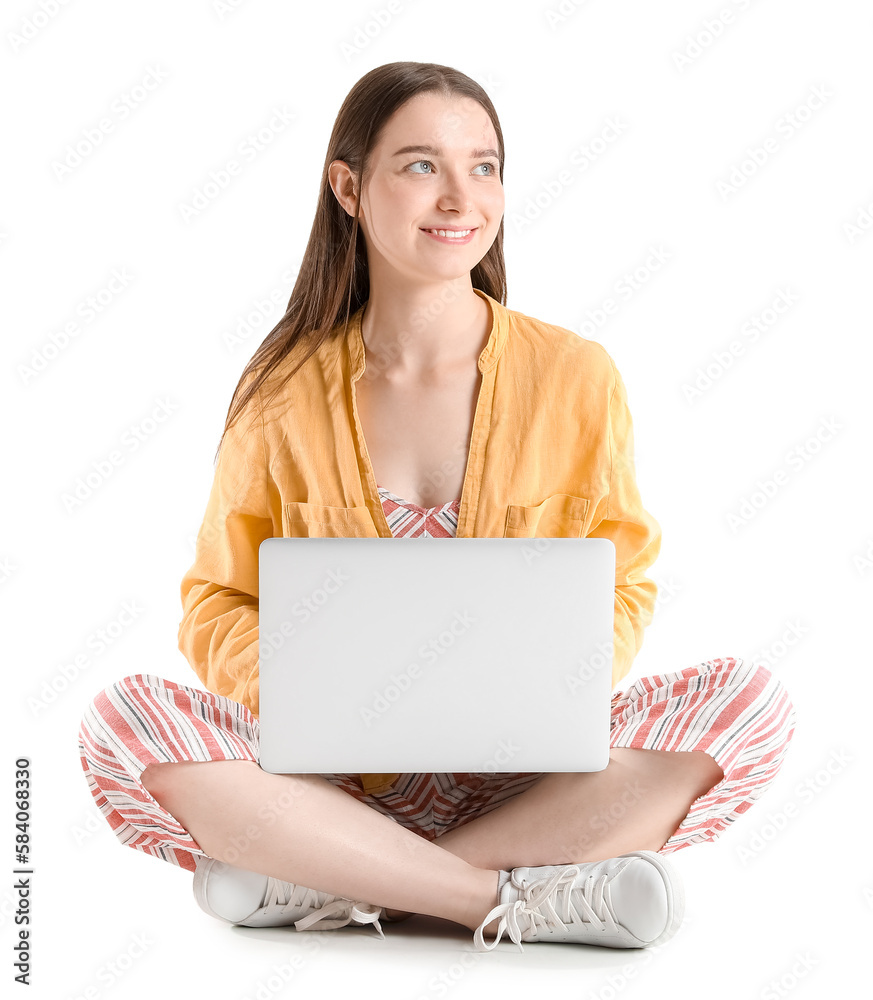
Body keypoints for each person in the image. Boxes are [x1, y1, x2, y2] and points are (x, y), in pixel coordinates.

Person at [77, 61, 797, 954]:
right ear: (348, 187)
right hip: (333, 780)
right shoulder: (279, 392)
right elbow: (217, 601)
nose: (461, 196)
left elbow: (624, 577)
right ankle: (494, 898)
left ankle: (334, 882)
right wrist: (311, 692)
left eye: (484, 166)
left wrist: (546, 691)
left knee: (750, 703)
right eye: (421, 165)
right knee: (122, 720)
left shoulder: (577, 374)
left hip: (528, 777)